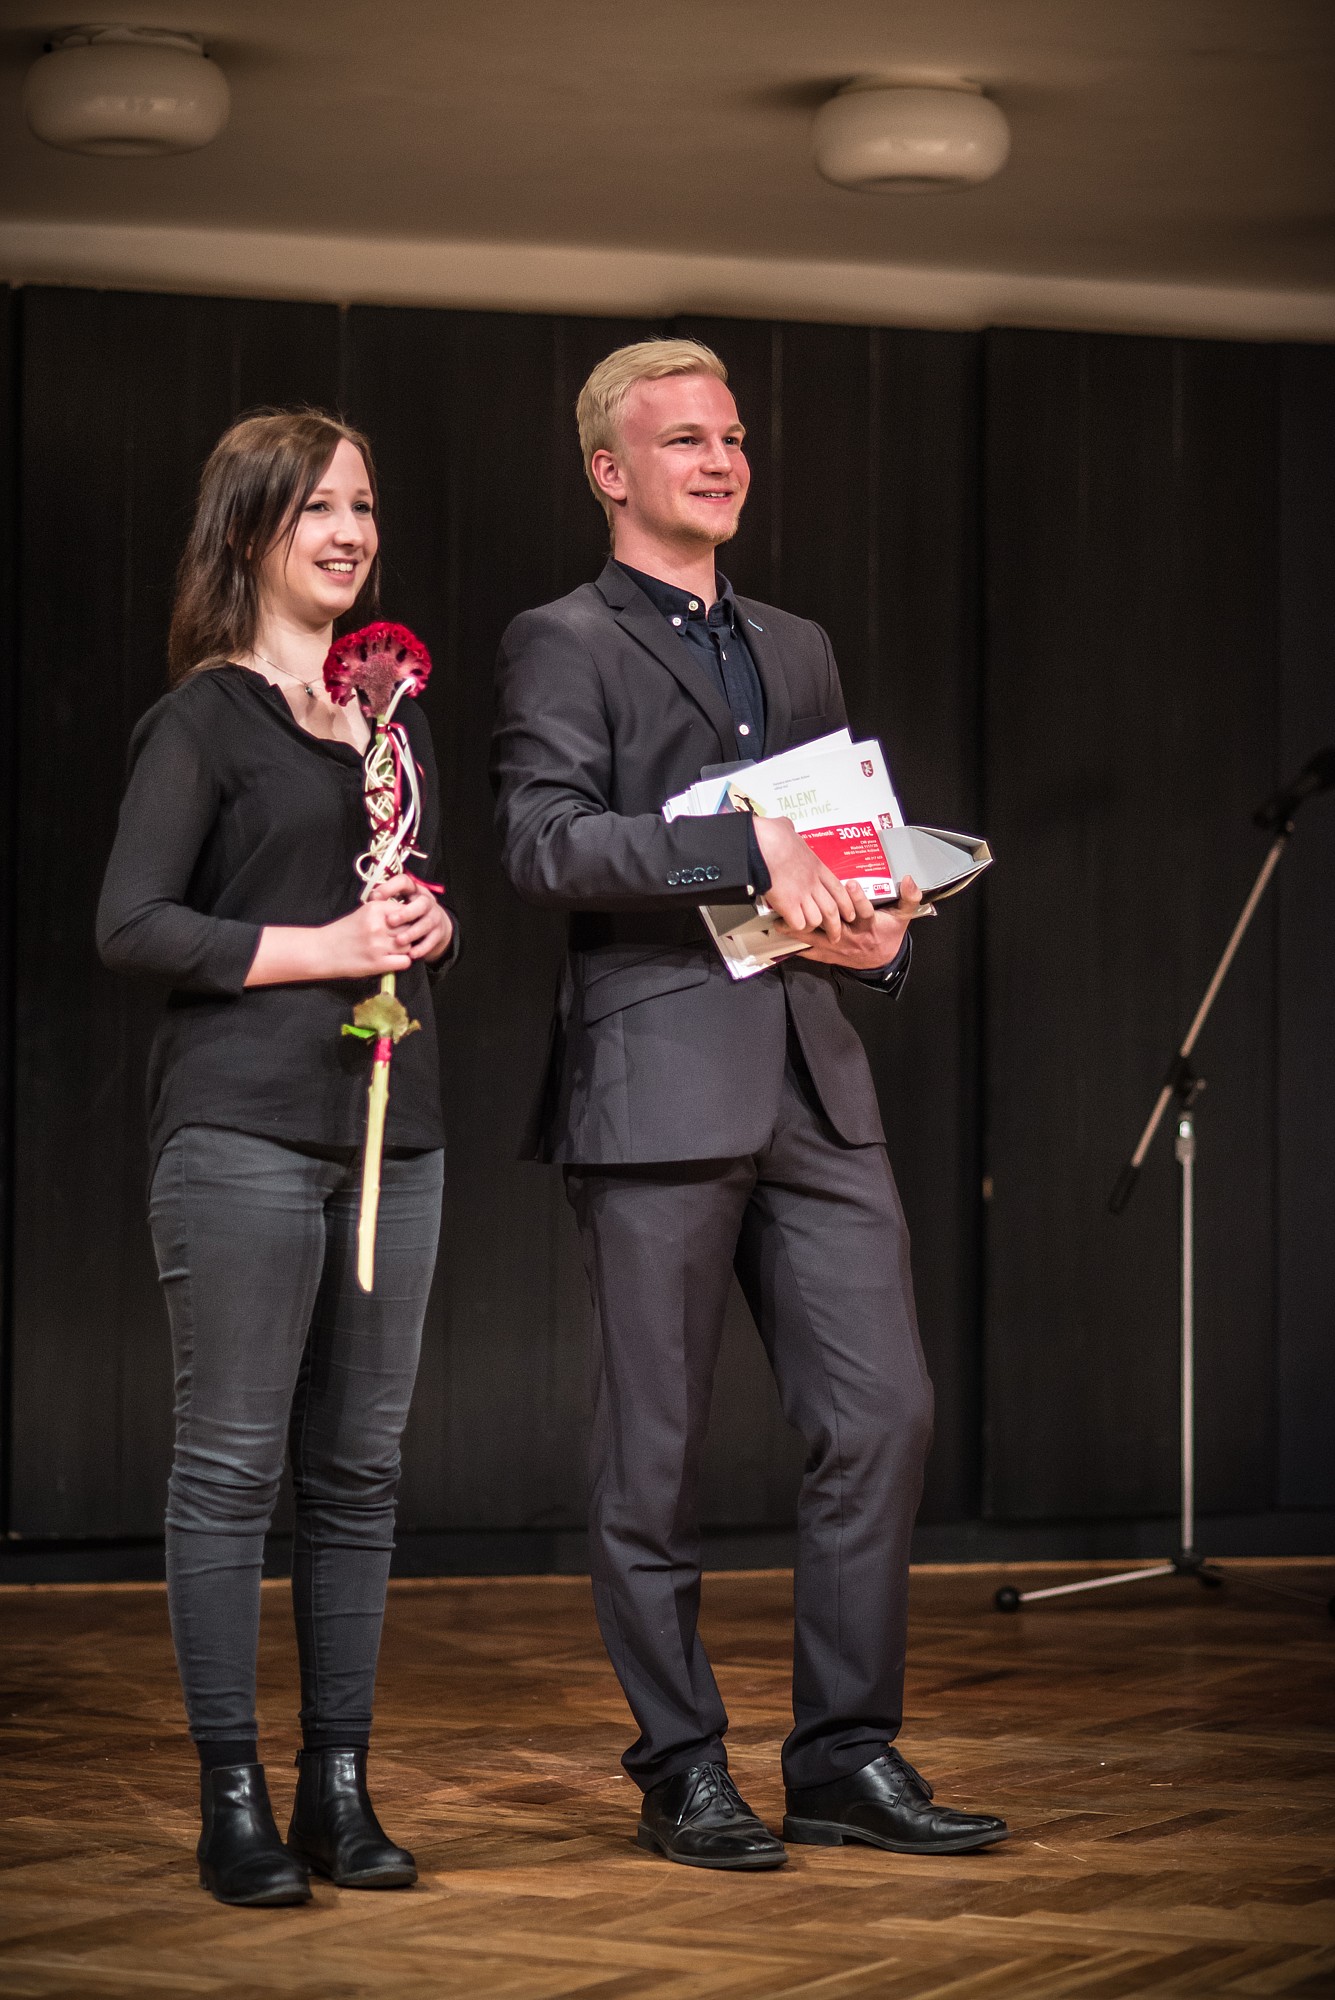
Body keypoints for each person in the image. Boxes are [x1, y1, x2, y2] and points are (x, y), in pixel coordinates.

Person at [492, 339, 1005, 1870]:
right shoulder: (560, 639)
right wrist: (734, 850)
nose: (722, 461)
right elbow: (543, 842)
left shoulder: (799, 644)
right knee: (656, 1456)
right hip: (654, 1083)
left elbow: (832, 850)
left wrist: (878, 924)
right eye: (685, 441)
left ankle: (844, 1758)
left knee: (883, 1412)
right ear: (610, 471)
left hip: (812, 1078)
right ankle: (682, 1768)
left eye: (731, 438)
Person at [97, 409, 457, 1907]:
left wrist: (431, 923)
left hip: (393, 1130)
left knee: (360, 1473)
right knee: (234, 1467)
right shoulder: (203, 720)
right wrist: (328, 946)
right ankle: (233, 1798)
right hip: (241, 1127)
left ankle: (338, 1788)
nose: (349, 531)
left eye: (362, 504)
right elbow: (132, 925)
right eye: (316, 506)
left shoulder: (386, 717)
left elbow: (394, 896)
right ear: (246, 527)